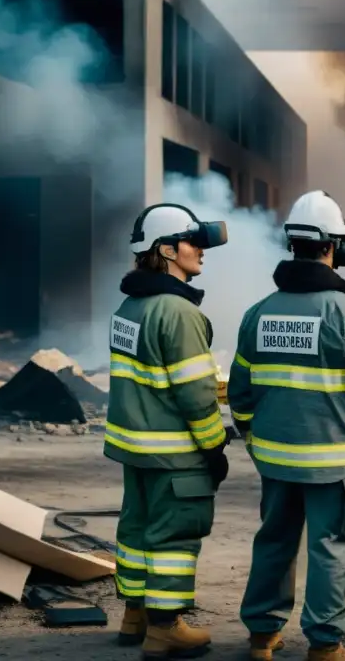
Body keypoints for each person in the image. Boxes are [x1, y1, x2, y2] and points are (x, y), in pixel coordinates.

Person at [230, 190, 345, 661]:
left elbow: (240, 393)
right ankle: (325, 647)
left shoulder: (258, 313)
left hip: (275, 461)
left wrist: (255, 439)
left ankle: (262, 637)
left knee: (274, 542)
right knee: (330, 547)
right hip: (333, 465)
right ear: (335, 247)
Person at [104, 203, 231, 660]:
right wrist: (215, 445)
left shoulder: (128, 306)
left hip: (133, 447)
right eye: (193, 242)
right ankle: (165, 628)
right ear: (166, 250)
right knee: (174, 538)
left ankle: (134, 616)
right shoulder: (178, 313)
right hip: (174, 452)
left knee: (136, 530)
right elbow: (197, 395)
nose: (201, 250)